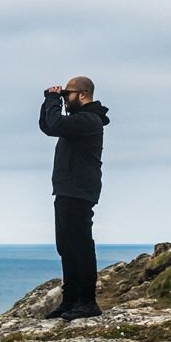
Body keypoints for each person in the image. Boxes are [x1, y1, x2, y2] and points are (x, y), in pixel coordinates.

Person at [38, 76, 110, 321]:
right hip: (67, 189)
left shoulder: (89, 120)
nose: (65, 99)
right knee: (66, 246)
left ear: (82, 94)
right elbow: (49, 126)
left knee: (80, 245)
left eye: (67, 94)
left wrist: (52, 101)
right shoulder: (78, 121)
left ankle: (88, 302)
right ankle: (70, 301)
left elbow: (56, 124)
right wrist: (49, 100)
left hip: (79, 191)